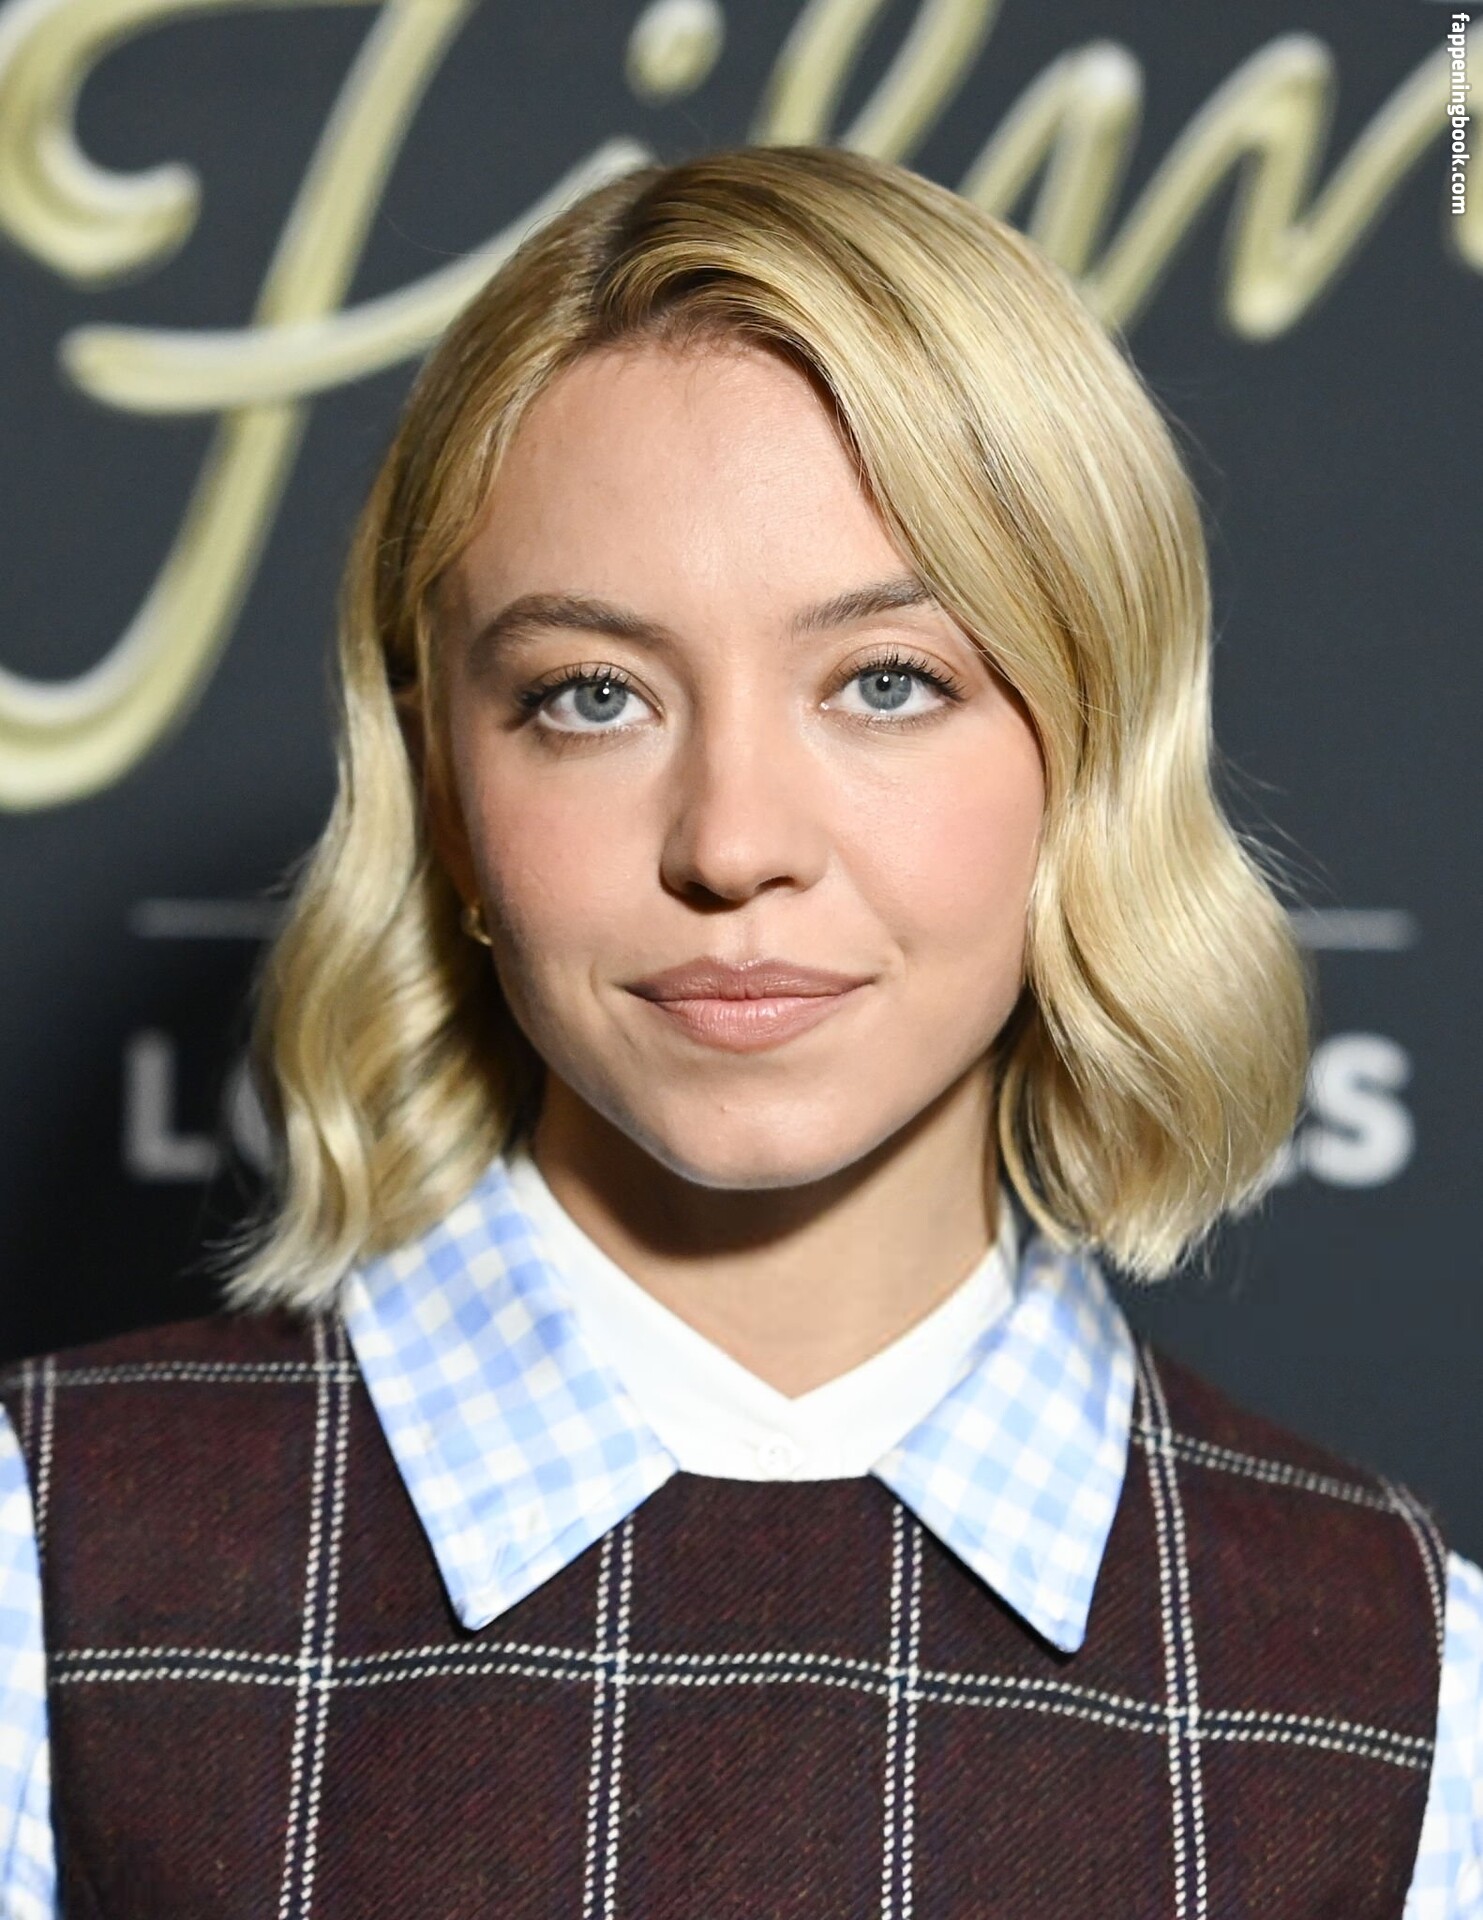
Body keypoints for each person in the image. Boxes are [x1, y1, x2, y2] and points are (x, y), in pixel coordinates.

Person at [0, 143, 1476, 1918]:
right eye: (592, 696)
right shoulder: (43, 1576)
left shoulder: (1414, 1686)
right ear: (445, 786)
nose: (733, 841)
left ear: (1093, 750)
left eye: (886, 682)